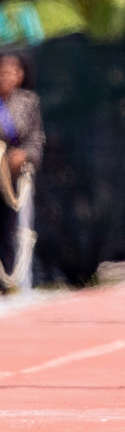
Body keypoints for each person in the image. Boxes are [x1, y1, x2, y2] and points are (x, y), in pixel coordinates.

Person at [0, 51, 43, 289]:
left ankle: (11, 283)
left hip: (16, 181)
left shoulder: (28, 102)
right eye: (3, 71)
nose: (7, 76)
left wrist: (24, 155)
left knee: (13, 229)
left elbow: (36, 139)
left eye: (13, 71)